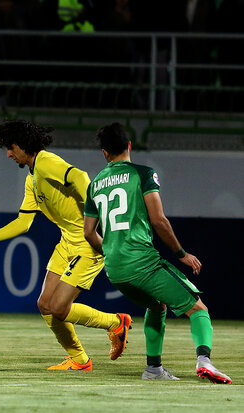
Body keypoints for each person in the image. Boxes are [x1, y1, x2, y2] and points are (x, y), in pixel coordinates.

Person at [0, 119, 131, 371]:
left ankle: (115, 323)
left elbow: (80, 177)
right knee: (45, 304)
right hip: (67, 241)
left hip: (86, 242)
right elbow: (23, 224)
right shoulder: (32, 179)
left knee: (59, 308)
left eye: (11, 147)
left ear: (22, 146)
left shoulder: (46, 162)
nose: (8, 154)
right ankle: (80, 360)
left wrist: (96, 217)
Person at [83, 122, 232, 384]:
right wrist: (181, 253)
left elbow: (88, 232)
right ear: (129, 145)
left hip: (115, 269)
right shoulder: (143, 174)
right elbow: (159, 220)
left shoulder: (94, 185)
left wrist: (109, 251)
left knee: (156, 305)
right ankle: (205, 361)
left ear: (105, 153)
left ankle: (153, 369)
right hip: (142, 263)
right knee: (198, 308)